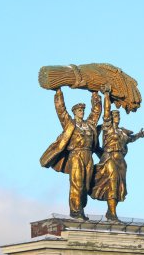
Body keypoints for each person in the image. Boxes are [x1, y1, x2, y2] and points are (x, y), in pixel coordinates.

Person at [40, 88, 102, 220]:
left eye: (83, 110)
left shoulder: (89, 124)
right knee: (77, 183)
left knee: (86, 185)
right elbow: (61, 111)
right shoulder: (70, 124)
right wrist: (58, 93)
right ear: (74, 112)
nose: (82, 112)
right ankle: (75, 211)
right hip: (76, 155)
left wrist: (95, 95)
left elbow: (96, 112)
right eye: (79, 110)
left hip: (88, 156)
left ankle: (81, 208)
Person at [90, 87, 144, 221]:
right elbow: (106, 112)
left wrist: (140, 135)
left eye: (118, 116)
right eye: (115, 115)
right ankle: (112, 212)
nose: (117, 117)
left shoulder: (122, 132)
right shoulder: (107, 128)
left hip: (121, 161)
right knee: (113, 181)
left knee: (119, 187)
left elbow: (130, 139)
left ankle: (111, 212)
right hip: (109, 158)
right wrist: (106, 95)